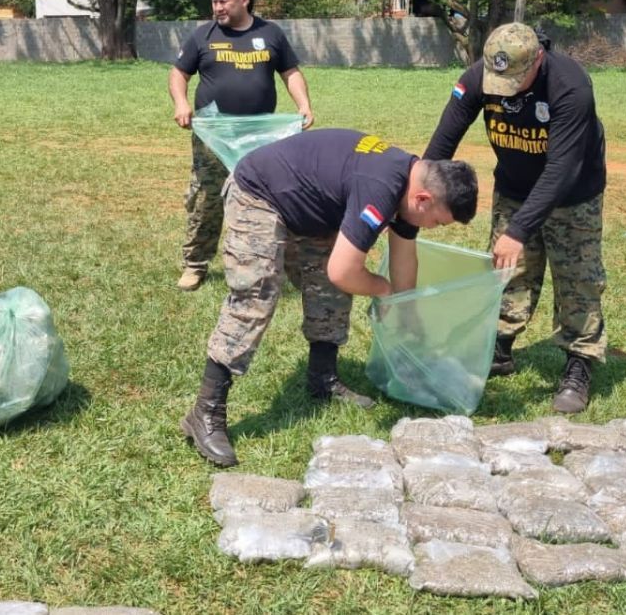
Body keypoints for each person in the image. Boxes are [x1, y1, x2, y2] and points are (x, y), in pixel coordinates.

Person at [180, 129, 478, 467]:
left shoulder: (409, 186)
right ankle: (205, 412)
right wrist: (383, 289)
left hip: (309, 206)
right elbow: (345, 271)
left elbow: (404, 257)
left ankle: (323, 378)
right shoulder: (381, 187)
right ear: (422, 199)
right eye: (437, 222)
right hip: (259, 194)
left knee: (329, 288)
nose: (434, 227)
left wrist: (406, 312)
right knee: (257, 293)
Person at [423, 22, 608, 414]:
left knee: (578, 279)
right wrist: (415, 192)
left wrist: (520, 229)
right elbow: (444, 141)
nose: (503, 88)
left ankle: (580, 359)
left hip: (573, 192)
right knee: (507, 272)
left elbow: (561, 169)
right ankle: (500, 348)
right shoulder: (479, 77)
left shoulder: (570, 87)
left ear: (538, 58)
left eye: (515, 80)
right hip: (513, 185)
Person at [168, 0, 314, 292]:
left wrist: (304, 105)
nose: (217, 8)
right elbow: (179, 73)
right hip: (214, 135)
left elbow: (290, 72)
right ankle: (195, 265)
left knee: (270, 198)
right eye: (214, 2)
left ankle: (283, 264)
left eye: (224, 1)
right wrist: (181, 102)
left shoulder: (270, 33)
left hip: (261, 136)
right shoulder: (202, 35)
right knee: (206, 197)